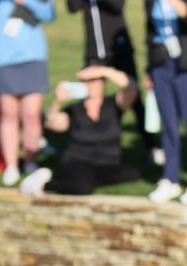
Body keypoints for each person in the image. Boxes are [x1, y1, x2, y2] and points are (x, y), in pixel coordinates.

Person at [20, 65, 141, 195]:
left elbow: (132, 87)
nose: (91, 84)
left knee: (133, 174)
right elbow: (52, 123)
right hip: (79, 161)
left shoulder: (113, 105)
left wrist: (106, 71)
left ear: (103, 82)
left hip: (107, 163)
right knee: (82, 188)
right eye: (87, 81)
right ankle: (41, 186)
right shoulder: (75, 110)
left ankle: (83, 180)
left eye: (95, 80)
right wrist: (57, 101)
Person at [67, 0, 159, 162]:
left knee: (135, 97)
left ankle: (151, 146)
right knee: (88, 98)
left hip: (119, 49)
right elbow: (73, 7)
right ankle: (85, 145)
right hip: (93, 52)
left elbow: (117, 5)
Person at [0, 0, 57, 187]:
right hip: (2, 59)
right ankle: (11, 165)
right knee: (8, 115)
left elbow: (49, 15)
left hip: (33, 57)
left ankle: (31, 162)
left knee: (31, 115)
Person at [143, 0, 187, 205]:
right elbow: (149, 31)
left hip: (186, 64)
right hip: (160, 63)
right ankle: (171, 178)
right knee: (169, 124)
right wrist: (149, 69)